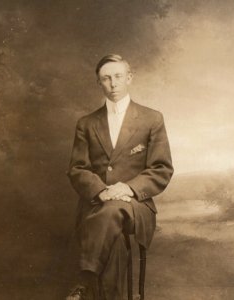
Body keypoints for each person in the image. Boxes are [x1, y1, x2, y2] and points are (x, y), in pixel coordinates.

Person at [66, 54, 174, 300]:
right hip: (98, 204)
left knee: (113, 211)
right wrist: (101, 191)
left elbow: (161, 168)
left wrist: (127, 188)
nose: (113, 84)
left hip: (136, 205)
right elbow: (77, 168)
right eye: (106, 78)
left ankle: (84, 279)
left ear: (129, 78)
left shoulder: (151, 119)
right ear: (99, 83)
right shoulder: (86, 123)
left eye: (117, 76)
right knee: (112, 239)